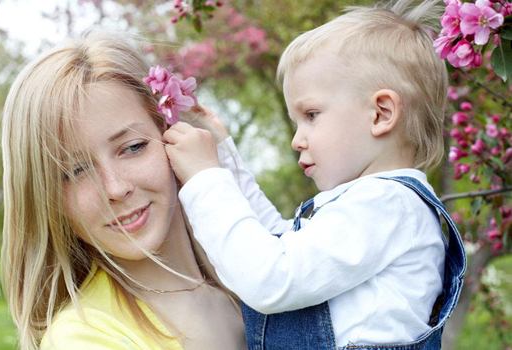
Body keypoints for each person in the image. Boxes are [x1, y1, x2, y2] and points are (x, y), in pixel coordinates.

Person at [163, 0, 467, 348]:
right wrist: (223, 158)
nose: (296, 140)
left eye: (311, 115)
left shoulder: (388, 206)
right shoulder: (369, 207)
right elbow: (274, 242)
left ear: (381, 114)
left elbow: (269, 277)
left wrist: (205, 181)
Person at [0, 30, 250, 350]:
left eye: (132, 147)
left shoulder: (267, 274)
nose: (115, 189)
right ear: (46, 199)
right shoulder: (81, 338)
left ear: (170, 131)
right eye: (74, 171)